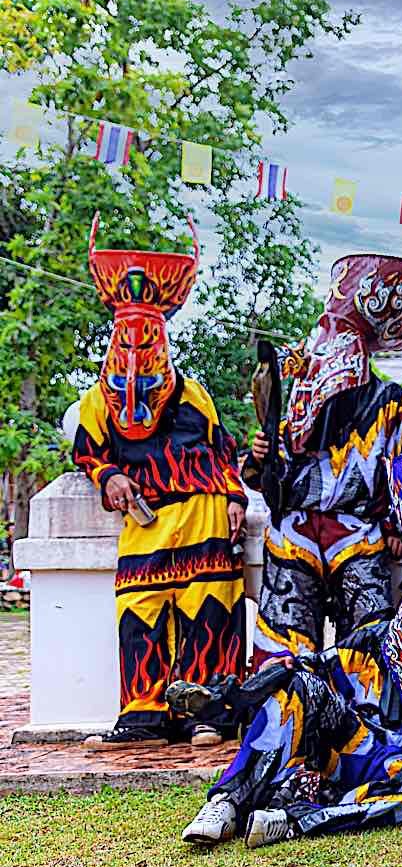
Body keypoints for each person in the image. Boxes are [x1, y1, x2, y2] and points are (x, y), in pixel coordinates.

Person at [176, 448, 402, 848]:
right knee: (299, 688)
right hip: (356, 745)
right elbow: (316, 669)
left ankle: (292, 822)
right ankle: (226, 801)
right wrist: (243, 691)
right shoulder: (375, 637)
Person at [71, 214, 247, 750]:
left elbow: (223, 451)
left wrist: (236, 497)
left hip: (202, 511)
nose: (135, 356)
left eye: (146, 346)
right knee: (139, 610)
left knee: (209, 608)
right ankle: (143, 713)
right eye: (124, 344)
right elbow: (88, 452)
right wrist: (109, 474)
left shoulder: (193, 393)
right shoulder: (96, 402)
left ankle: (208, 711)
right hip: (144, 519)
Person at [243, 254, 402, 668]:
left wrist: (393, 524)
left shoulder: (391, 401)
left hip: (358, 530)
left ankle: (361, 717)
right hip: (294, 526)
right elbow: (275, 465)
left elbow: (401, 469)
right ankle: (284, 708)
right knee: (284, 647)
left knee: (369, 639)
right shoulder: (293, 394)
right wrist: (262, 455)